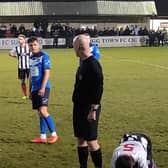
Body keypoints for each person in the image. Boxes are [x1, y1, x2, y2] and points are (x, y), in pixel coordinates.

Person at [72, 34, 104, 168]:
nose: (73, 49)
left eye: (74, 47)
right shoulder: (84, 63)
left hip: (89, 108)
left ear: (79, 48)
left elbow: (99, 88)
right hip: (79, 107)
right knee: (81, 139)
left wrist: (93, 109)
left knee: (91, 140)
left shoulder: (93, 65)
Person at [28, 36, 59, 144]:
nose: (33, 47)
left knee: (43, 111)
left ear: (39, 45)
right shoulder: (30, 58)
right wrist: (30, 91)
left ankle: (54, 134)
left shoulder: (44, 56)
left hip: (44, 87)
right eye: (31, 45)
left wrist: (42, 87)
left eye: (35, 44)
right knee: (40, 112)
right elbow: (31, 76)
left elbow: (47, 73)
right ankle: (42, 136)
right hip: (34, 88)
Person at [9, 34, 30, 99]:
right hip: (21, 67)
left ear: (24, 39)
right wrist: (15, 56)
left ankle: (31, 94)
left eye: (21, 39)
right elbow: (10, 53)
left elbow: (35, 53)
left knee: (32, 81)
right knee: (23, 81)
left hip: (29, 67)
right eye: (19, 39)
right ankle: (25, 95)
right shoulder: (16, 48)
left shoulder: (29, 47)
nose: (19, 40)